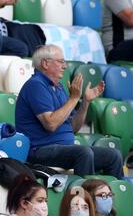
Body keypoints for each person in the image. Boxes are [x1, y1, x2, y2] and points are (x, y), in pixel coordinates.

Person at [15, 45, 124, 179]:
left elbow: (73, 128)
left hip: (64, 148)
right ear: (45, 63)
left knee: (113, 156)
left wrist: (85, 102)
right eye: (61, 61)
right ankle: (83, 197)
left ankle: (109, 197)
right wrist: (73, 98)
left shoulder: (59, 87)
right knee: (83, 153)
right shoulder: (36, 85)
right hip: (39, 149)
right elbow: (51, 124)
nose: (65, 66)